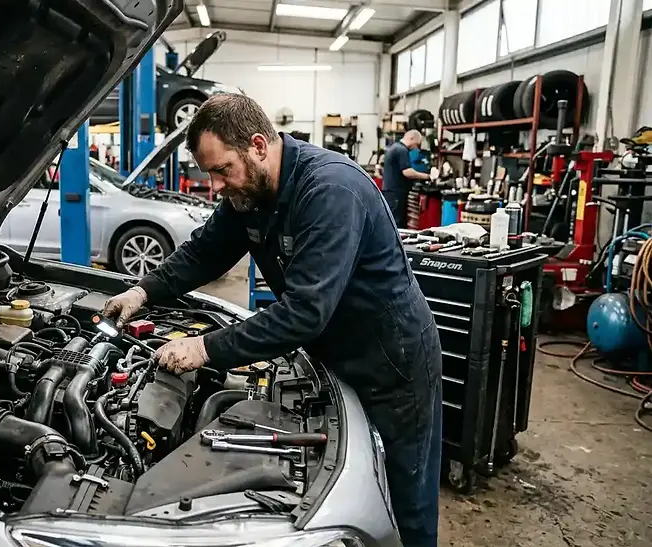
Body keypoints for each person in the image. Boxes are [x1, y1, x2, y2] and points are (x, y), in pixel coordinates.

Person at [101, 94, 442, 547]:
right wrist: (142, 290)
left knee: (406, 502)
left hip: (391, 364)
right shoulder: (251, 192)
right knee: (355, 494)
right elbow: (206, 251)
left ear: (259, 146)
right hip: (335, 354)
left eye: (222, 170)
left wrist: (204, 348)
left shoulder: (330, 191)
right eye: (210, 174)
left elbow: (304, 312)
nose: (216, 185)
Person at [382, 129, 436, 228]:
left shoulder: (394, 147)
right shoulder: (401, 150)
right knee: (397, 224)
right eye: (417, 144)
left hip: (391, 192)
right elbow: (407, 172)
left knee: (392, 222)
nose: (417, 148)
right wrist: (428, 177)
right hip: (396, 194)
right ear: (411, 138)